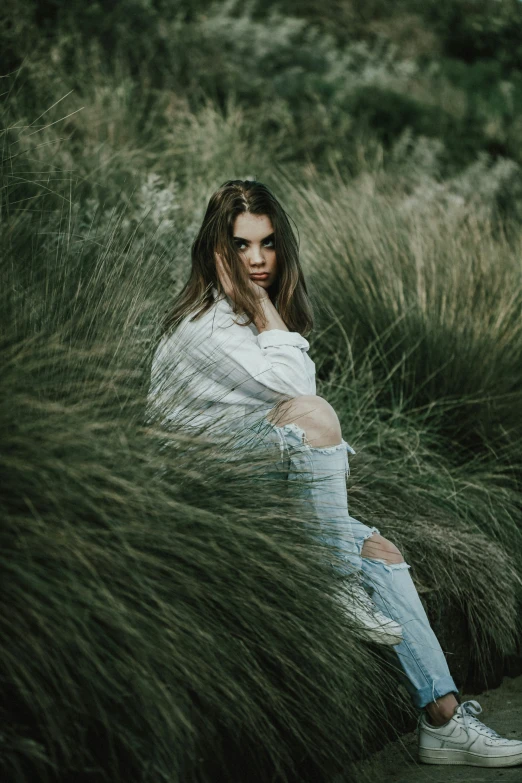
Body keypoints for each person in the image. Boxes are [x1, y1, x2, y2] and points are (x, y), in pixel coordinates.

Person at [147, 179, 522, 768]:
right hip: (200, 498)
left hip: (254, 487)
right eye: (241, 246)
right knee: (317, 418)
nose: (257, 260)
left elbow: (286, 415)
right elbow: (302, 398)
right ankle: (334, 578)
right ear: (216, 252)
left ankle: (444, 720)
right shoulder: (206, 326)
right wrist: (264, 305)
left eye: (268, 244)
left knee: (385, 551)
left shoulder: (246, 319)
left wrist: (262, 307)